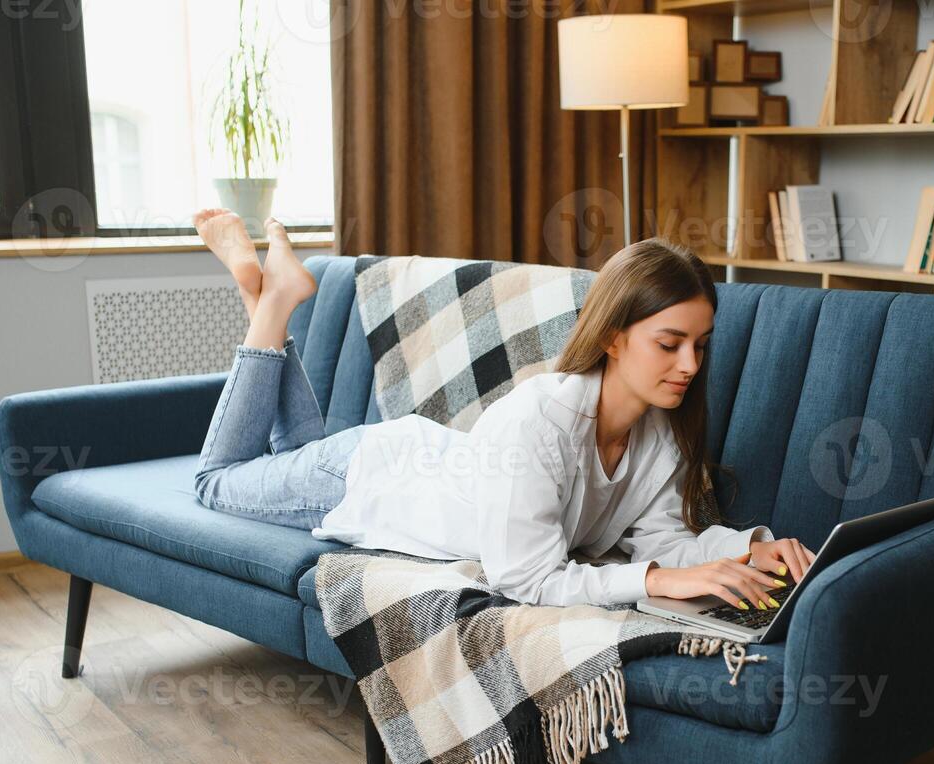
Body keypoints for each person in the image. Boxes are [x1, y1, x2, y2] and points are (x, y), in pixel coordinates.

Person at [190, 209, 816, 610]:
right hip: (361, 478)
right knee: (215, 482)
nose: (690, 366)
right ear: (613, 337)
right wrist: (654, 580)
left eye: (700, 346)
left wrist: (744, 550)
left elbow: (663, 540)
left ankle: (266, 297)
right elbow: (527, 580)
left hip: (407, 450)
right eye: (669, 344)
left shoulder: (660, 437)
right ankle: (273, 307)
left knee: (288, 451)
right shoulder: (540, 422)